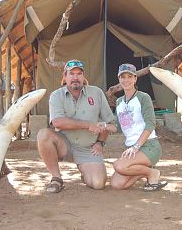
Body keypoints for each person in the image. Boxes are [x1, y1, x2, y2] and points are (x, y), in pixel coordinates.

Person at [37, 59, 116, 193]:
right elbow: (57, 122)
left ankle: (85, 171)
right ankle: (56, 178)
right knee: (43, 135)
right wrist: (88, 125)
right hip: (65, 145)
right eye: (71, 74)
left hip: (88, 149)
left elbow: (109, 122)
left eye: (79, 74)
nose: (75, 77)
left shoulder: (96, 93)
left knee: (98, 183)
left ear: (83, 77)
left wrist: (100, 143)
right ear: (65, 77)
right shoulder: (56, 95)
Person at [111, 63, 167, 191]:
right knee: (117, 184)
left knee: (119, 166)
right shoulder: (119, 102)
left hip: (148, 146)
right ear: (119, 79)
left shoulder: (143, 97)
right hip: (131, 148)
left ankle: (152, 174)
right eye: (123, 77)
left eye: (129, 76)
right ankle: (145, 171)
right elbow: (118, 127)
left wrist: (136, 146)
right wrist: (102, 126)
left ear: (135, 78)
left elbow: (151, 123)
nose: (126, 80)